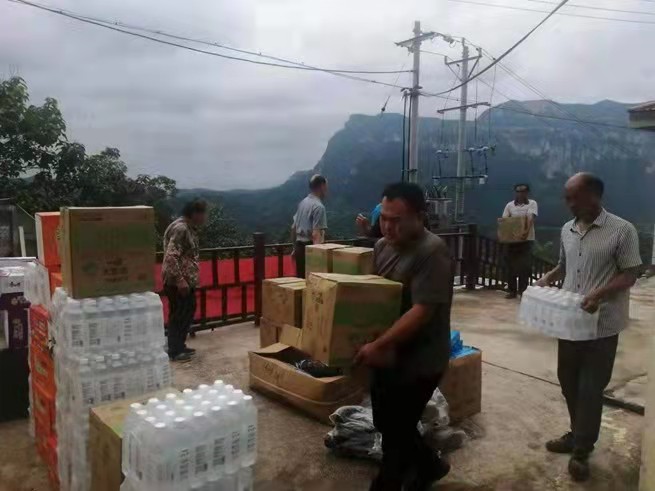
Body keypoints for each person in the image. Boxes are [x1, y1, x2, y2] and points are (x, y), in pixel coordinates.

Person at [537, 173, 641, 482]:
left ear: (594, 196)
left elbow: (630, 274)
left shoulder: (622, 230)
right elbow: (564, 266)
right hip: (570, 321)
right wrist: (548, 277)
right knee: (568, 382)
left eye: (574, 197)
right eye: (567, 197)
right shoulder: (567, 229)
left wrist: (599, 294)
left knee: (590, 388)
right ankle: (577, 433)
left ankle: (582, 449)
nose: (568, 203)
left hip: (602, 326)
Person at [354, 182, 452, 491]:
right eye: (383, 218)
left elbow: (422, 311)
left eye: (396, 220)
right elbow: (375, 295)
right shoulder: (382, 247)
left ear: (419, 217)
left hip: (421, 360)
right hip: (388, 356)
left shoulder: (431, 251)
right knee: (387, 422)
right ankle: (431, 466)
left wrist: (379, 344)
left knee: (397, 430)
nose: (387, 226)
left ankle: (388, 483)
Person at [162, 198, 208, 362]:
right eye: (203, 214)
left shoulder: (187, 227)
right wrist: (180, 280)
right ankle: (175, 350)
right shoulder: (181, 229)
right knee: (179, 314)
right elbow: (171, 256)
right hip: (178, 282)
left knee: (186, 311)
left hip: (185, 281)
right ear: (195, 214)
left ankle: (179, 345)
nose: (204, 218)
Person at [502, 183, 538, 299]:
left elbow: (530, 219)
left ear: (527, 193)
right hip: (512, 241)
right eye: (518, 191)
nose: (520, 194)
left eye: (523, 191)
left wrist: (524, 231)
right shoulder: (509, 205)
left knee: (524, 267)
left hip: (526, 240)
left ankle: (523, 291)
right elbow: (505, 220)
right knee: (511, 266)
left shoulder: (532, 204)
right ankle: (512, 291)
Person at [291, 174, 328, 278]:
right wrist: (318, 258)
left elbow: (293, 228)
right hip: (310, 249)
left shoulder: (302, 203)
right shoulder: (319, 207)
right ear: (322, 186)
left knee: (301, 281)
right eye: (326, 186)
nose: (327, 190)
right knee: (313, 282)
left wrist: (294, 248)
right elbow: (316, 234)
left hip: (299, 248)